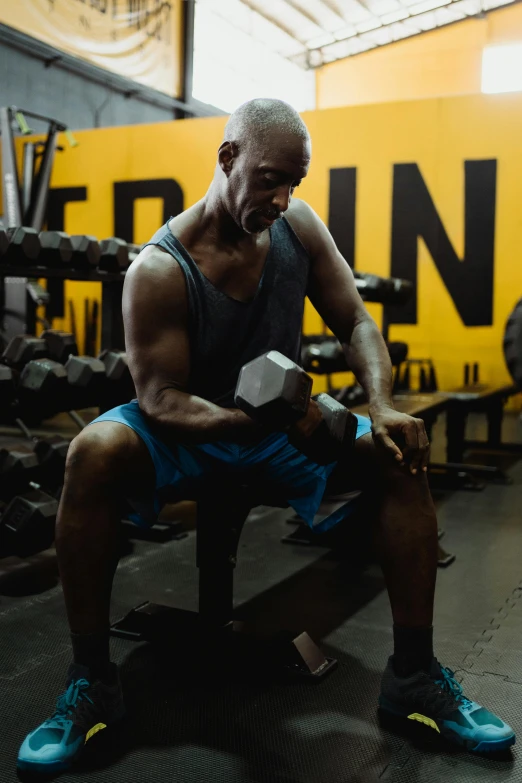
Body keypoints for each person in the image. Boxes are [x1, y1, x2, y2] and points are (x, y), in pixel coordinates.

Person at [18, 98, 514, 774]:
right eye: (271, 179)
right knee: (91, 451)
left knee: (400, 453)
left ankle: (414, 676)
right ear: (228, 159)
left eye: (294, 183)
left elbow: (357, 324)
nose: (283, 198)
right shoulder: (160, 269)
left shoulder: (297, 228)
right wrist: (266, 419)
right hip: (188, 425)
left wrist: (382, 404)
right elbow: (160, 399)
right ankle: (90, 682)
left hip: (278, 423)